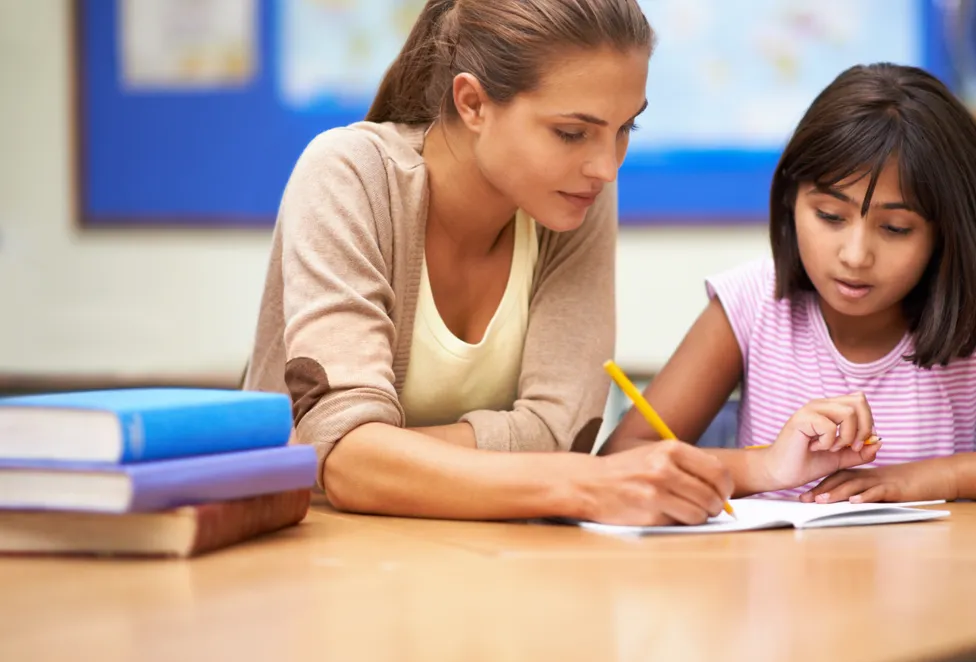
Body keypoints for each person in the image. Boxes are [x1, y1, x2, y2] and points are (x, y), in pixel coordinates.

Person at [602, 63, 976, 504]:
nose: (855, 255)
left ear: (946, 232)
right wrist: (760, 471)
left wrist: (938, 475)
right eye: (829, 217)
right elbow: (622, 460)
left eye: (896, 227)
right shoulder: (753, 303)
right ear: (790, 202)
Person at [244, 0, 736, 525]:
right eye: (571, 133)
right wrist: (581, 482)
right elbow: (348, 463)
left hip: (488, 555)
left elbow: (561, 434)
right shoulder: (350, 174)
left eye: (625, 130)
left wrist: (373, 454)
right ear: (473, 103)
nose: (606, 168)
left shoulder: (573, 196)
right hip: (312, 553)